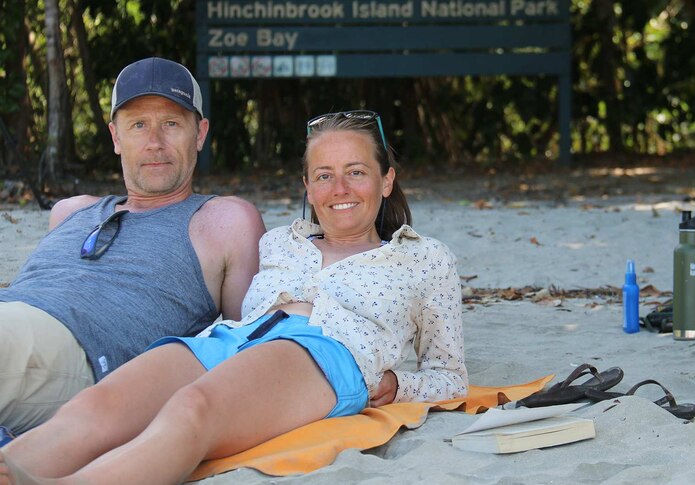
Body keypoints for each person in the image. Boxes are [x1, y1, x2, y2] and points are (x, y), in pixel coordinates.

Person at [0, 110, 467, 484]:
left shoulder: (425, 259)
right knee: (98, 406)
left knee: (191, 410)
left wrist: (398, 385)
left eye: (356, 172)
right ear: (307, 187)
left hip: (326, 354)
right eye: (323, 176)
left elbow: (450, 375)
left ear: (386, 180)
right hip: (230, 338)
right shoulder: (280, 242)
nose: (339, 189)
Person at [0, 57, 266, 436]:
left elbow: (250, 349)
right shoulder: (70, 211)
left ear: (201, 133)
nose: (155, 142)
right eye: (139, 125)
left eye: (171, 124)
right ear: (116, 137)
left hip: (80, 357)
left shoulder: (225, 221)